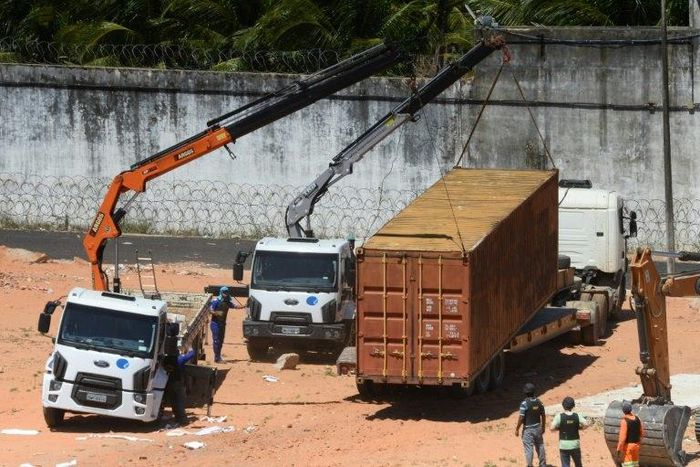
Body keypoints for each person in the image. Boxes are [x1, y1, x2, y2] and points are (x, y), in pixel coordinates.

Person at [163, 329, 195, 426]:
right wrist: (188, 345)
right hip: (177, 383)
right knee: (179, 402)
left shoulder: (164, 360)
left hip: (166, 383)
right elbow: (191, 354)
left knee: (172, 402)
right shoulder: (179, 360)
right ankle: (182, 420)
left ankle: (177, 418)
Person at [550, 396, 589, 467]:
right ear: (573, 406)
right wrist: (580, 428)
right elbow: (586, 424)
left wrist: (558, 428)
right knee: (578, 464)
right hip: (575, 444)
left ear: (563, 405)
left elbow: (552, 428)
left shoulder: (559, 416)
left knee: (565, 464)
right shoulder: (577, 416)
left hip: (563, 445)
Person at [515, 382, 547, 467]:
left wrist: (517, 429)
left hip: (528, 430)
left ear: (525, 392)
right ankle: (543, 464)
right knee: (540, 446)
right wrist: (543, 426)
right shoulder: (539, 402)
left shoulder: (524, 404)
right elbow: (543, 415)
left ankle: (529, 465)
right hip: (538, 428)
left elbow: (521, 418)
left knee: (529, 448)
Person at [209, 286, 242, 363]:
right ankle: (216, 358)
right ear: (221, 292)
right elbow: (210, 310)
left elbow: (235, 306)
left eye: (227, 292)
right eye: (224, 292)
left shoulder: (227, 302)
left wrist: (245, 305)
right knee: (216, 341)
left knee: (221, 341)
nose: (226, 294)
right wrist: (217, 313)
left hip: (222, 324)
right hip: (215, 324)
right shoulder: (216, 301)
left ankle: (218, 356)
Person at [616, 401, 644, 467]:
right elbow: (642, 433)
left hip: (628, 447)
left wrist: (619, 448)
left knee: (628, 465)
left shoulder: (624, 421)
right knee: (635, 464)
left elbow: (622, 438)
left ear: (623, 411)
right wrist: (638, 442)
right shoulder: (638, 419)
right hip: (636, 446)